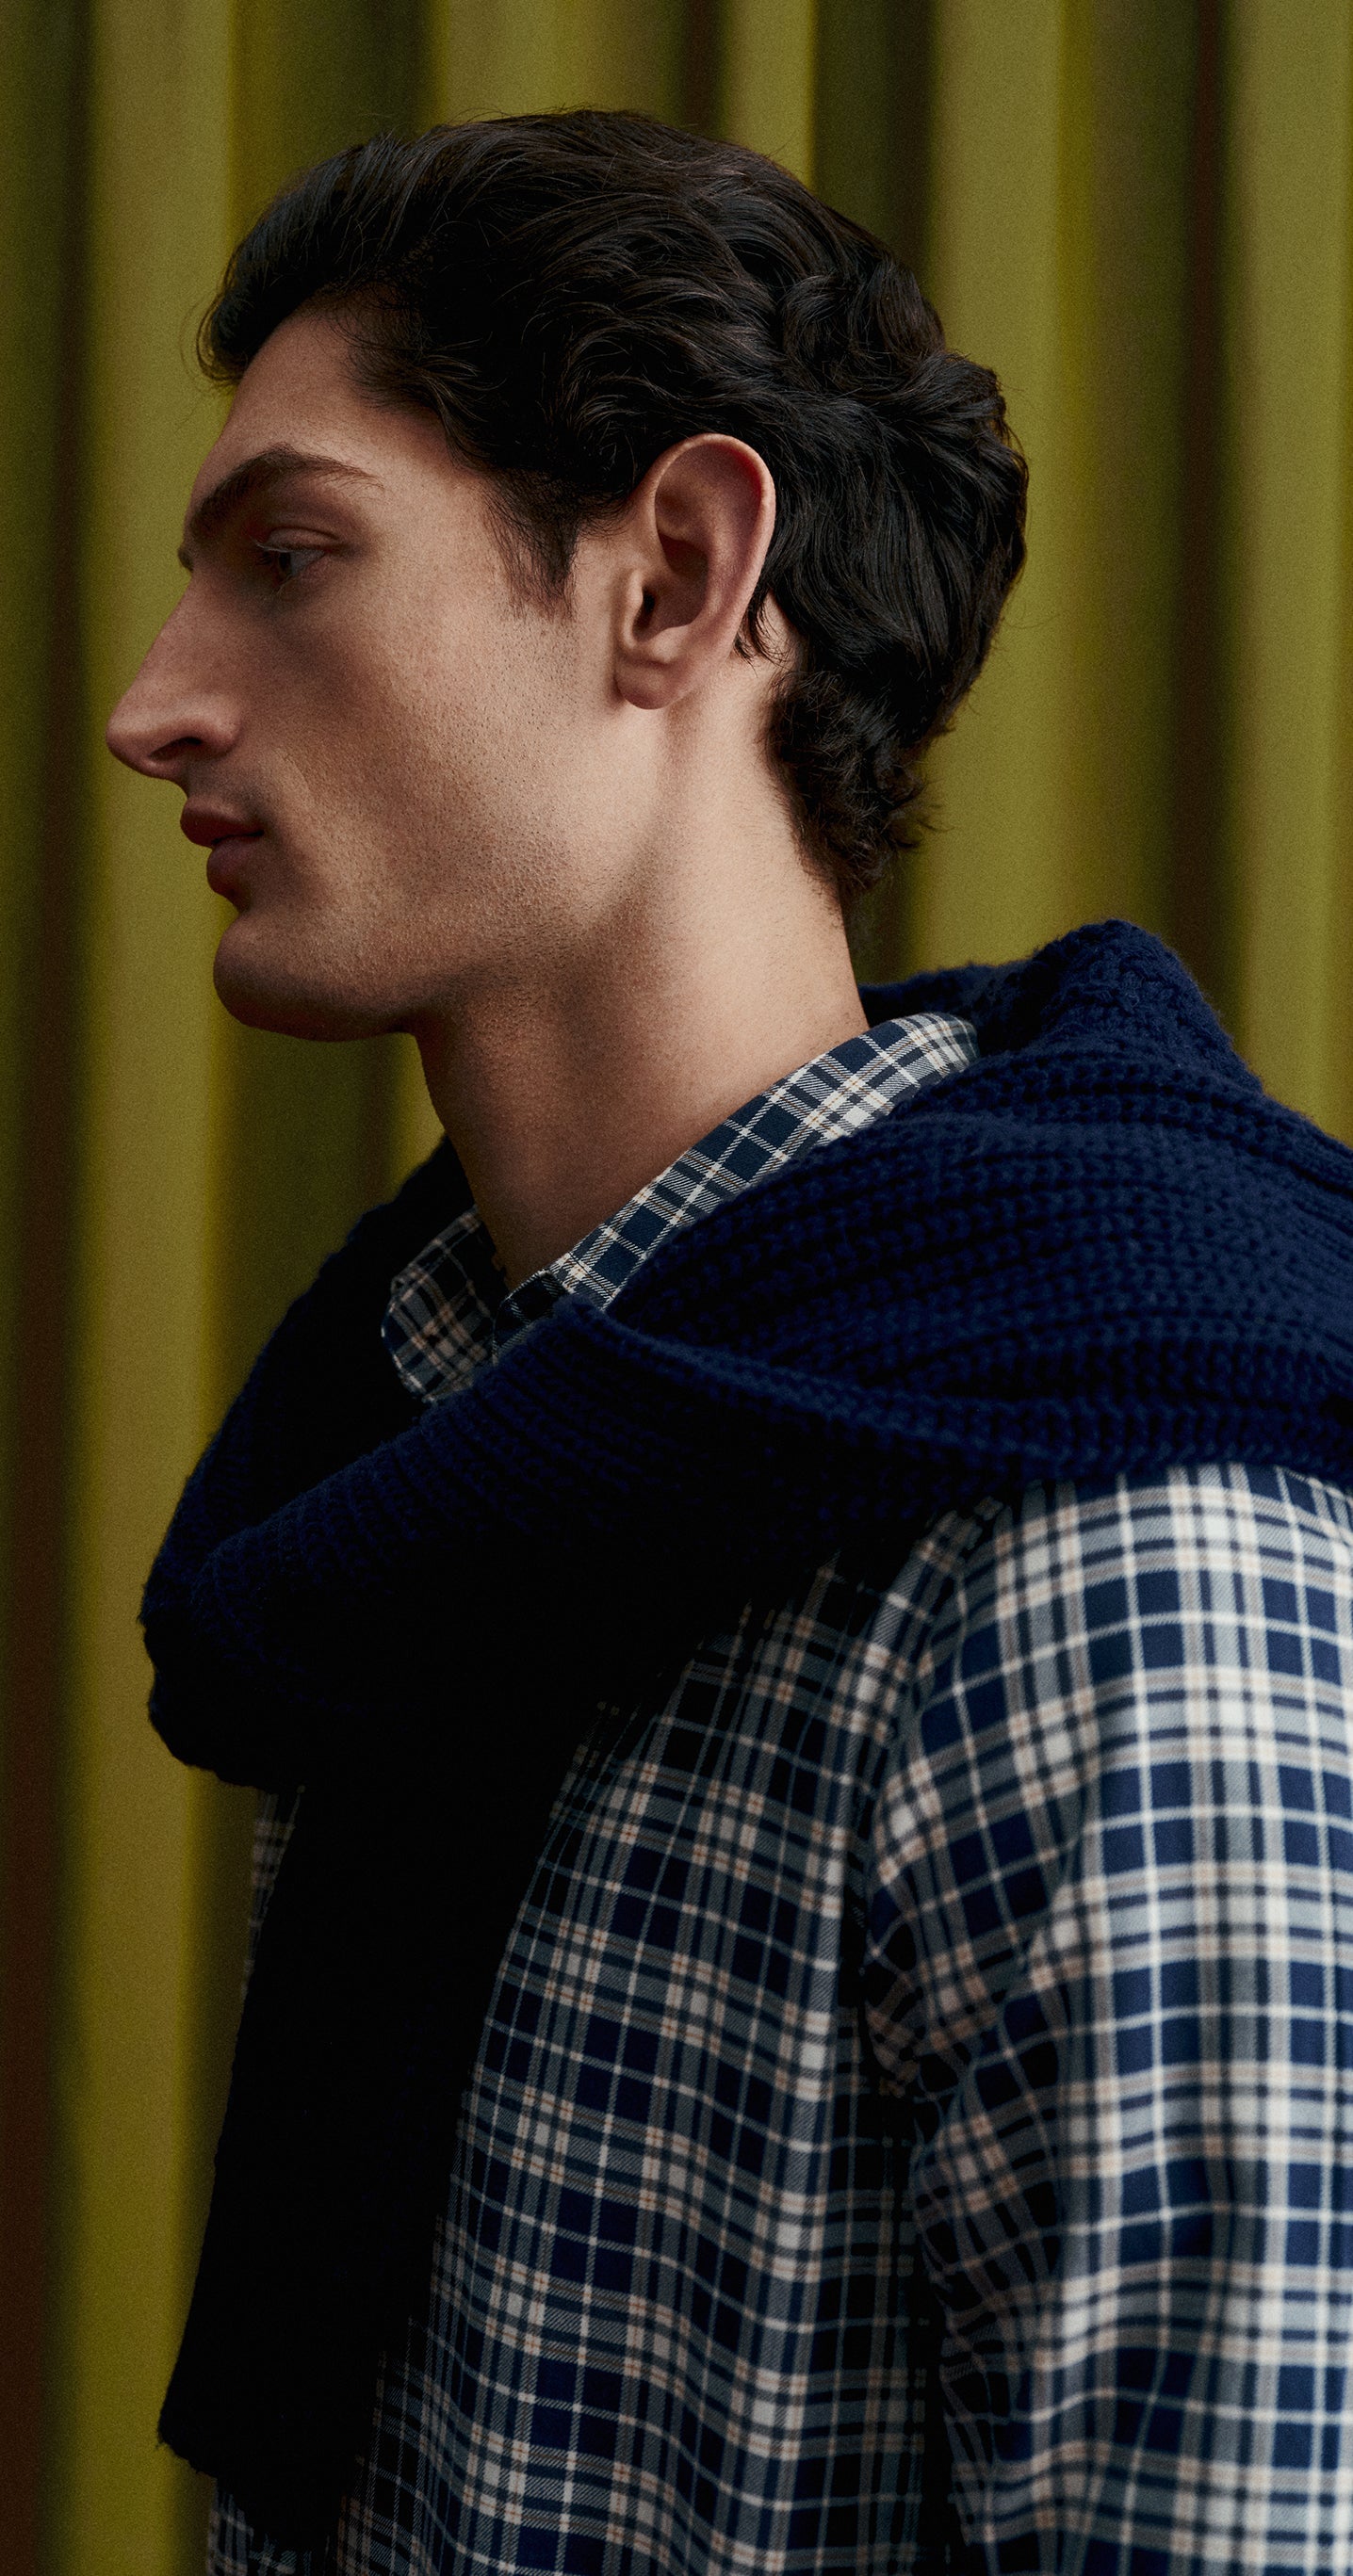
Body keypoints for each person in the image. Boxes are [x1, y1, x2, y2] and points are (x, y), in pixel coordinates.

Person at [107, 112, 1353, 2576]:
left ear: (672, 578)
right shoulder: (435, 1462)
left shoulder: (1109, 1557)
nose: (156, 707)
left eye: (294, 559)